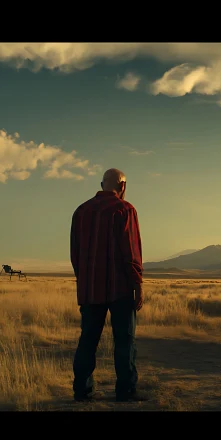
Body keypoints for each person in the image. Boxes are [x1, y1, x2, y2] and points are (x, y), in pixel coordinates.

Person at [70, 168, 145, 402]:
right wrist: (138, 283)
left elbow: (75, 254)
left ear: (102, 184)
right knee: (124, 340)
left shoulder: (81, 211)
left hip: (90, 288)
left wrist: (84, 280)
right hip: (120, 289)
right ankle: (126, 391)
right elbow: (130, 251)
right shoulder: (125, 209)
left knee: (88, 340)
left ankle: (82, 391)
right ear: (122, 186)